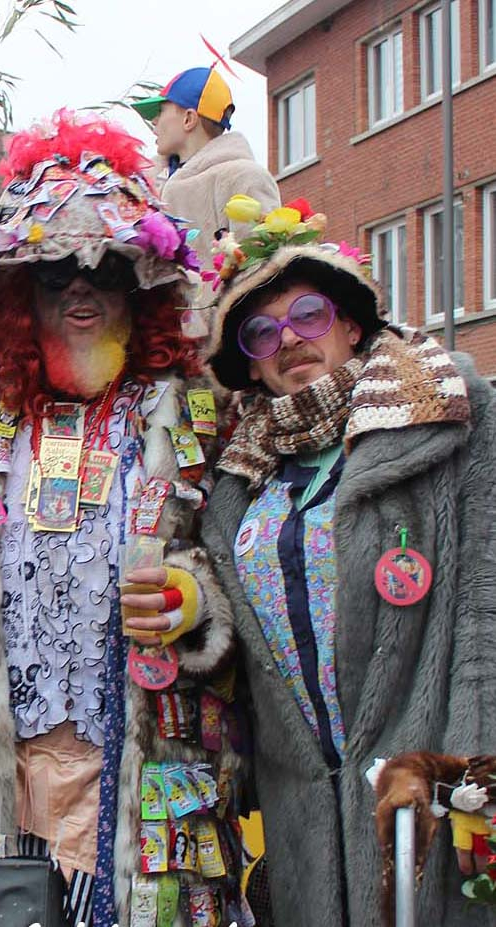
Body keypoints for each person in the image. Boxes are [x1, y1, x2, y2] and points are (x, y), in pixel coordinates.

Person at [0, 109, 245, 927]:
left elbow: (240, 559)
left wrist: (192, 601)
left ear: (138, 291)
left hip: (146, 770)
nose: (78, 290)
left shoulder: (190, 414)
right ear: (17, 299)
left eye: (104, 270)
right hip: (10, 771)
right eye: (51, 275)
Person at [199, 197, 496, 925]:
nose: (289, 340)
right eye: (261, 332)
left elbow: (484, 603)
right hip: (300, 814)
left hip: (421, 791)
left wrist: (472, 775)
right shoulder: (238, 477)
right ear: (249, 364)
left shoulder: (444, 408)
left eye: (308, 315)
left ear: (350, 324)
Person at [133, 66, 280, 336]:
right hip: (156, 348)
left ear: (189, 118)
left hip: (214, 352)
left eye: (161, 112)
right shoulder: (147, 186)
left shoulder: (242, 176)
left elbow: (261, 278)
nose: (154, 123)